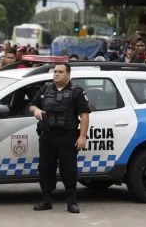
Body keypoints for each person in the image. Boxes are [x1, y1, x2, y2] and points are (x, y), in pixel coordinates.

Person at [29, 63, 91, 213]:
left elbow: (84, 115)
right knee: (45, 168)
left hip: (67, 136)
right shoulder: (45, 89)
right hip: (47, 135)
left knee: (69, 169)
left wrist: (82, 137)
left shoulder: (77, 91)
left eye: (60, 72)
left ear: (68, 74)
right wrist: (36, 110)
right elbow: (31, 105)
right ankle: (46, 199)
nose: (56, 74)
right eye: (55, 71)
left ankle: (71, 201)